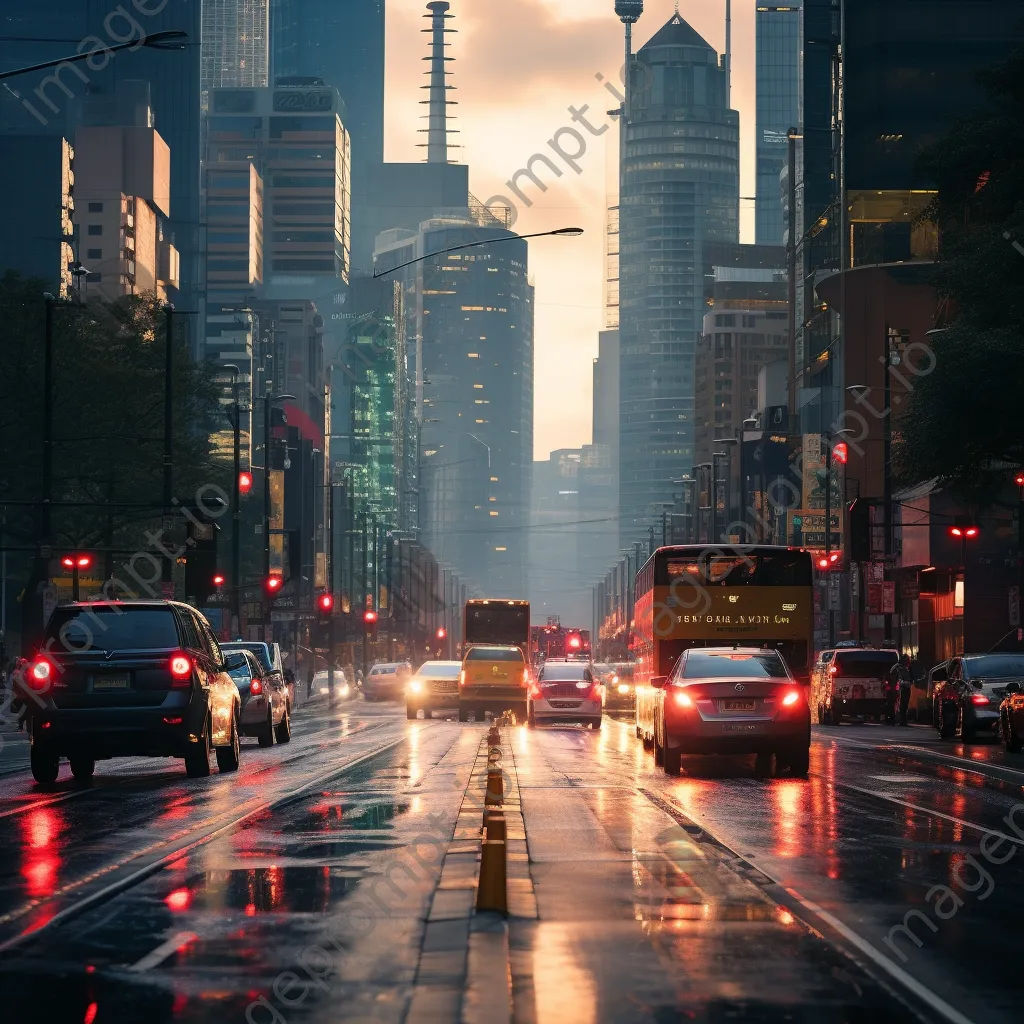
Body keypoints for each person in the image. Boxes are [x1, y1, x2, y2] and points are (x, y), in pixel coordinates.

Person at [889, 654, 914, 726]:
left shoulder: (908, 668)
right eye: (907, 660)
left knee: (904, 705)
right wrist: (904, 683)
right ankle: (900, 720)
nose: (908, 661)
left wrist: (910, 682)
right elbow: (896, 677)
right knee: (901, 705)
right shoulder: (899, 668)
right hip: (901, 689)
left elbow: (911, 677)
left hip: (906, 688)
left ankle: (903, 720)